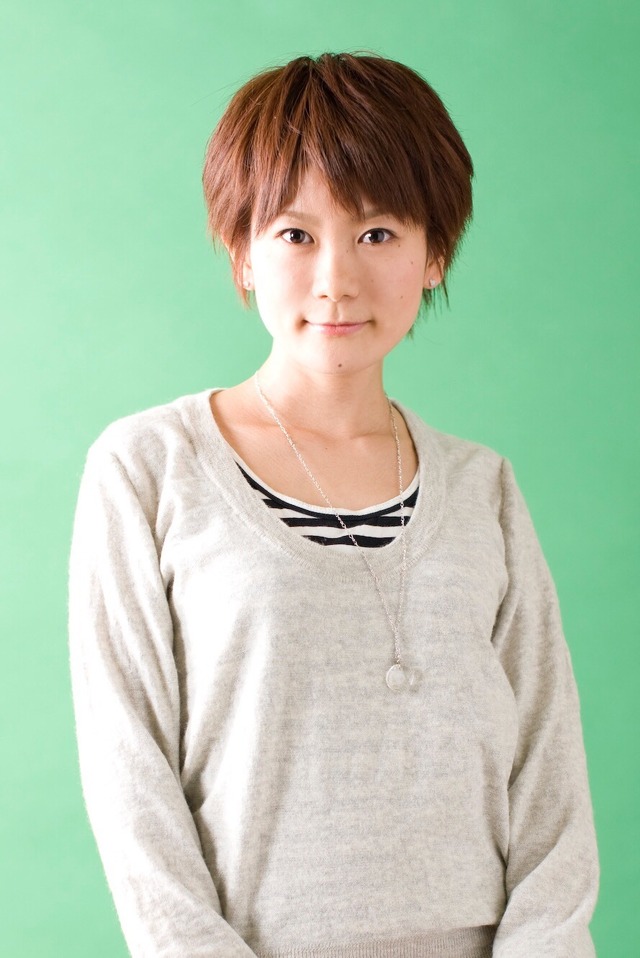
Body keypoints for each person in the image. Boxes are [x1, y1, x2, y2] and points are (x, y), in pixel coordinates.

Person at [68, 52, 599, 958]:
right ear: (241, 251)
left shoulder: (484, 488)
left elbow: (550, 777)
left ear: (435, 253)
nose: (336, 279)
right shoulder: (149, 469)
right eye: (295, 233)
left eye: (379, 233)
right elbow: (131, 783)